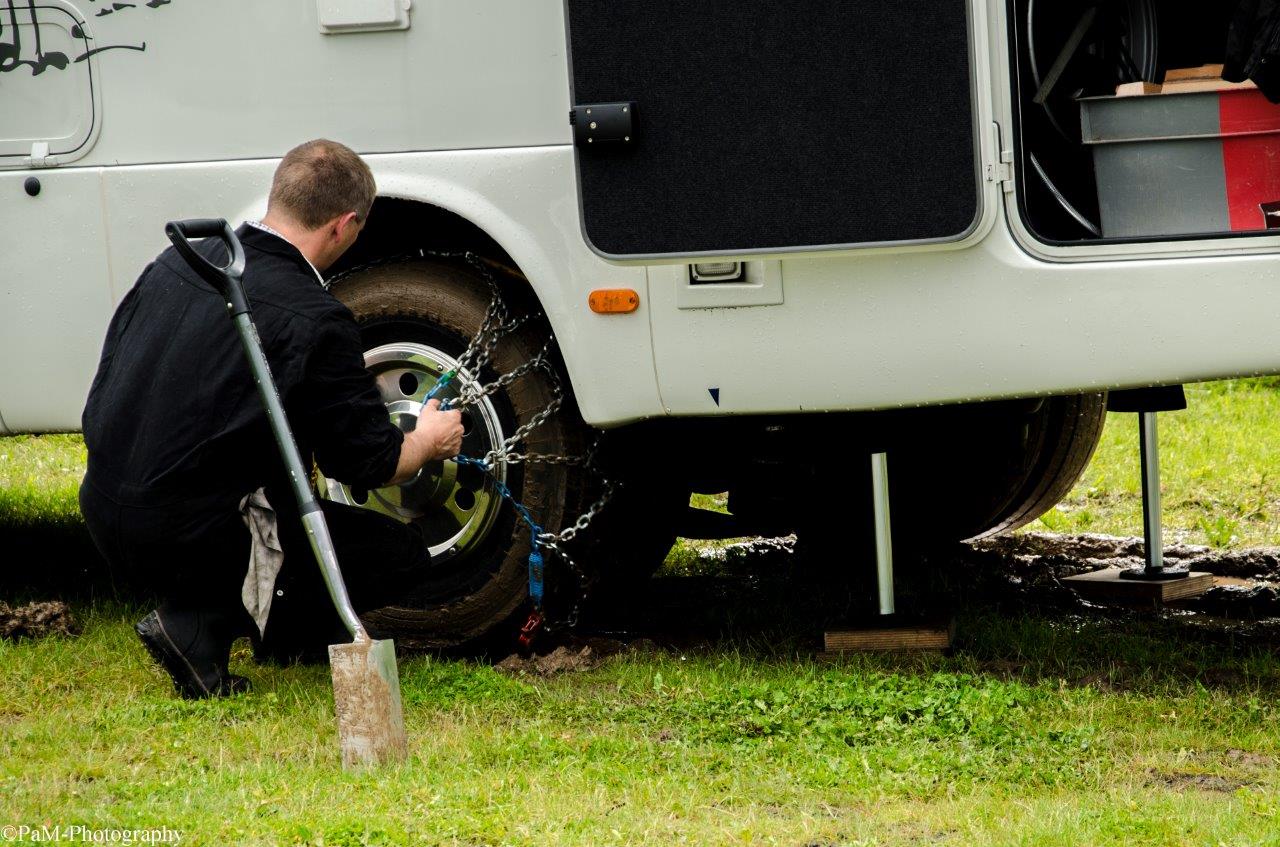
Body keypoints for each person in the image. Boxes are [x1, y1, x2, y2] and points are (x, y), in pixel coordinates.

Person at [78, 139, 464, 698]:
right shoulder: (316, 317)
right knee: (396, 554)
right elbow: (372, 464)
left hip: (104, 508)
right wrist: (428, 439)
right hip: (180, 537)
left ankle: (270, 627)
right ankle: (196, 626)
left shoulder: (185, 257)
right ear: (344, 225)